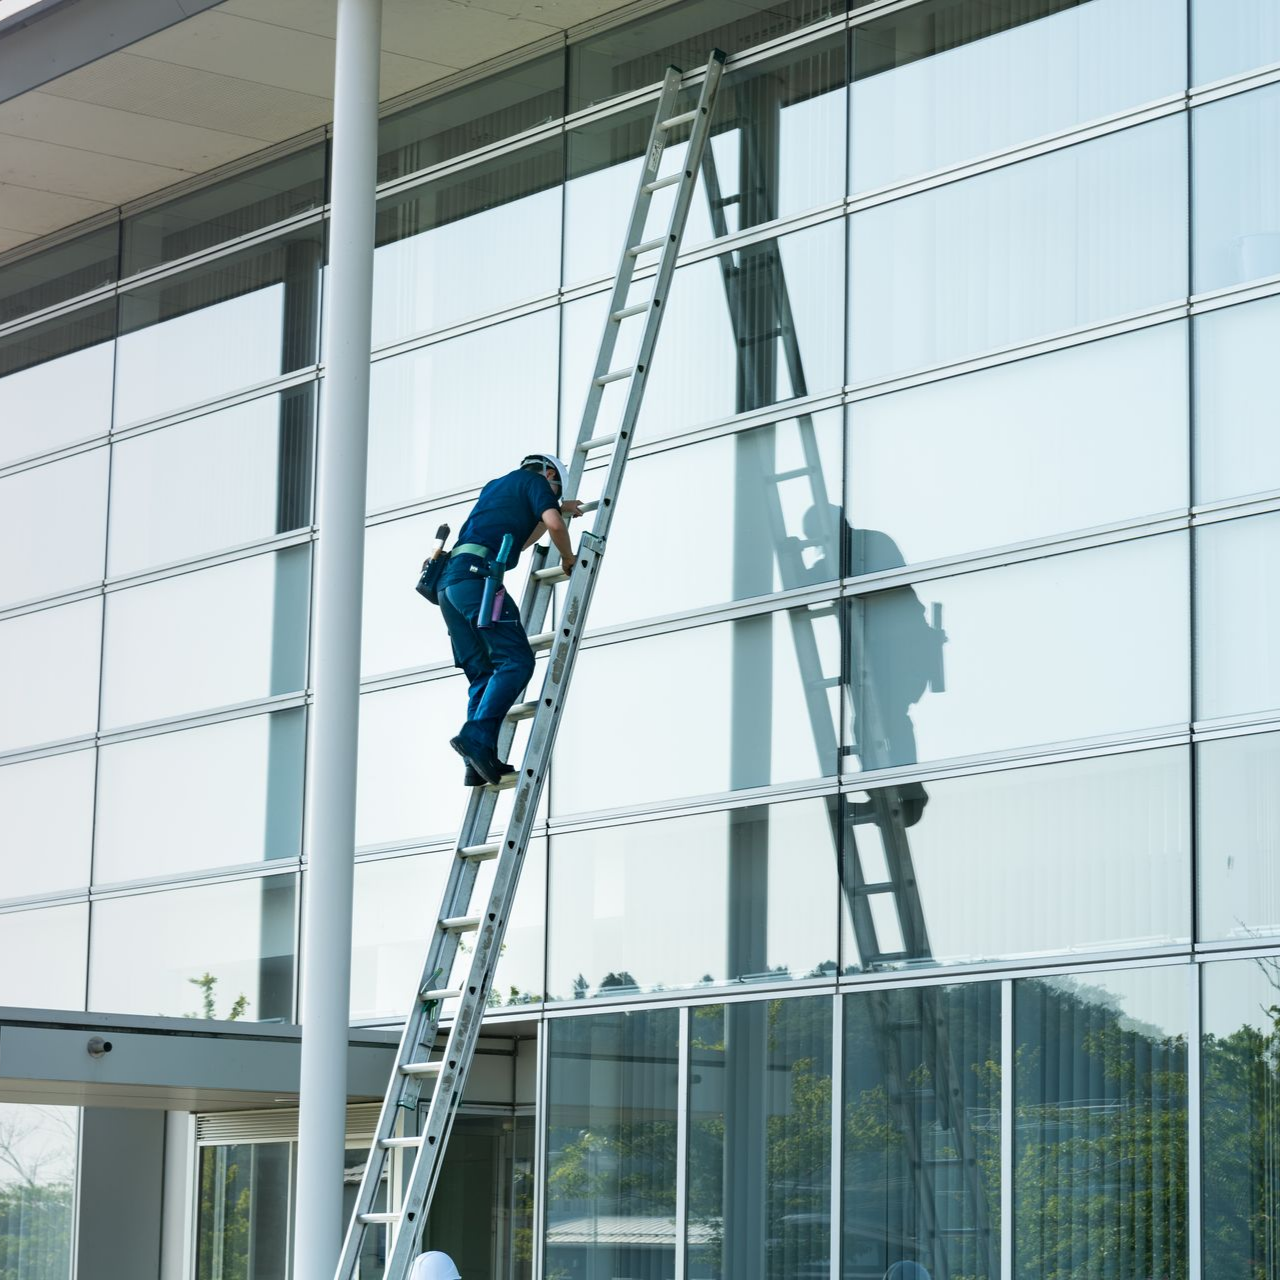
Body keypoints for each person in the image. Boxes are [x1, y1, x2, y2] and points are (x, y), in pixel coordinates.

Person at [437, 452, 581, 786]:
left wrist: (554, 510)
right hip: (477, 581)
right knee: (515, 661)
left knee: (483, 672)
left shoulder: (496, 487)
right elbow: (555, 525)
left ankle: (477, 763)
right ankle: (475, 736)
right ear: (548, 473)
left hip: (450, 586)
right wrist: (569, 556)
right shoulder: (536, 481)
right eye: (555, 490)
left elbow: (523, 538)